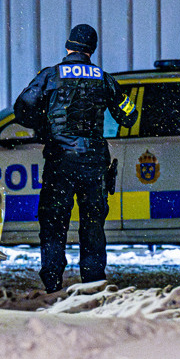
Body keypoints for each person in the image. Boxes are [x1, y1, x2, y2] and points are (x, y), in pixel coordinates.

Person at [14, 24, 137, 292]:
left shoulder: (50, 76)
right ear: (91, 50)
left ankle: (53, 283)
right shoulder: (104, 78)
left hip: (60, 161)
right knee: (93, 225)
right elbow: (129, 115)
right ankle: (93, 283)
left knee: (53, 223)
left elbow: (22, 109)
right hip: (94, 162)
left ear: (68, 46)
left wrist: (45, 126)